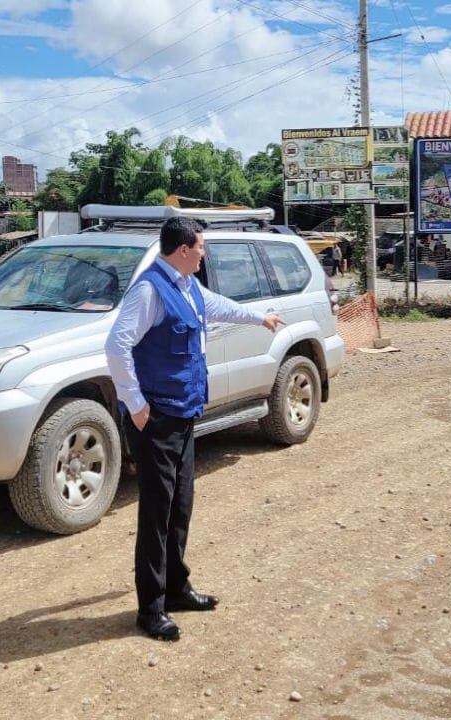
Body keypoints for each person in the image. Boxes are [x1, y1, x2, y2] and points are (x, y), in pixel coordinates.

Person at [105, 217, 284, 642]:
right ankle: (150, 610)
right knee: (156, 513)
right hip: (156, 419)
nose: (204, 254)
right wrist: (136, 405)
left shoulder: (188, 286)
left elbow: (219, 307)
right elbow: (116, 345)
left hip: (184, 413)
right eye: (201, 247)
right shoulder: (150, 290)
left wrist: (259, 318)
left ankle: (176, 588)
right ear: (183, 250)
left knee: (180, 505)